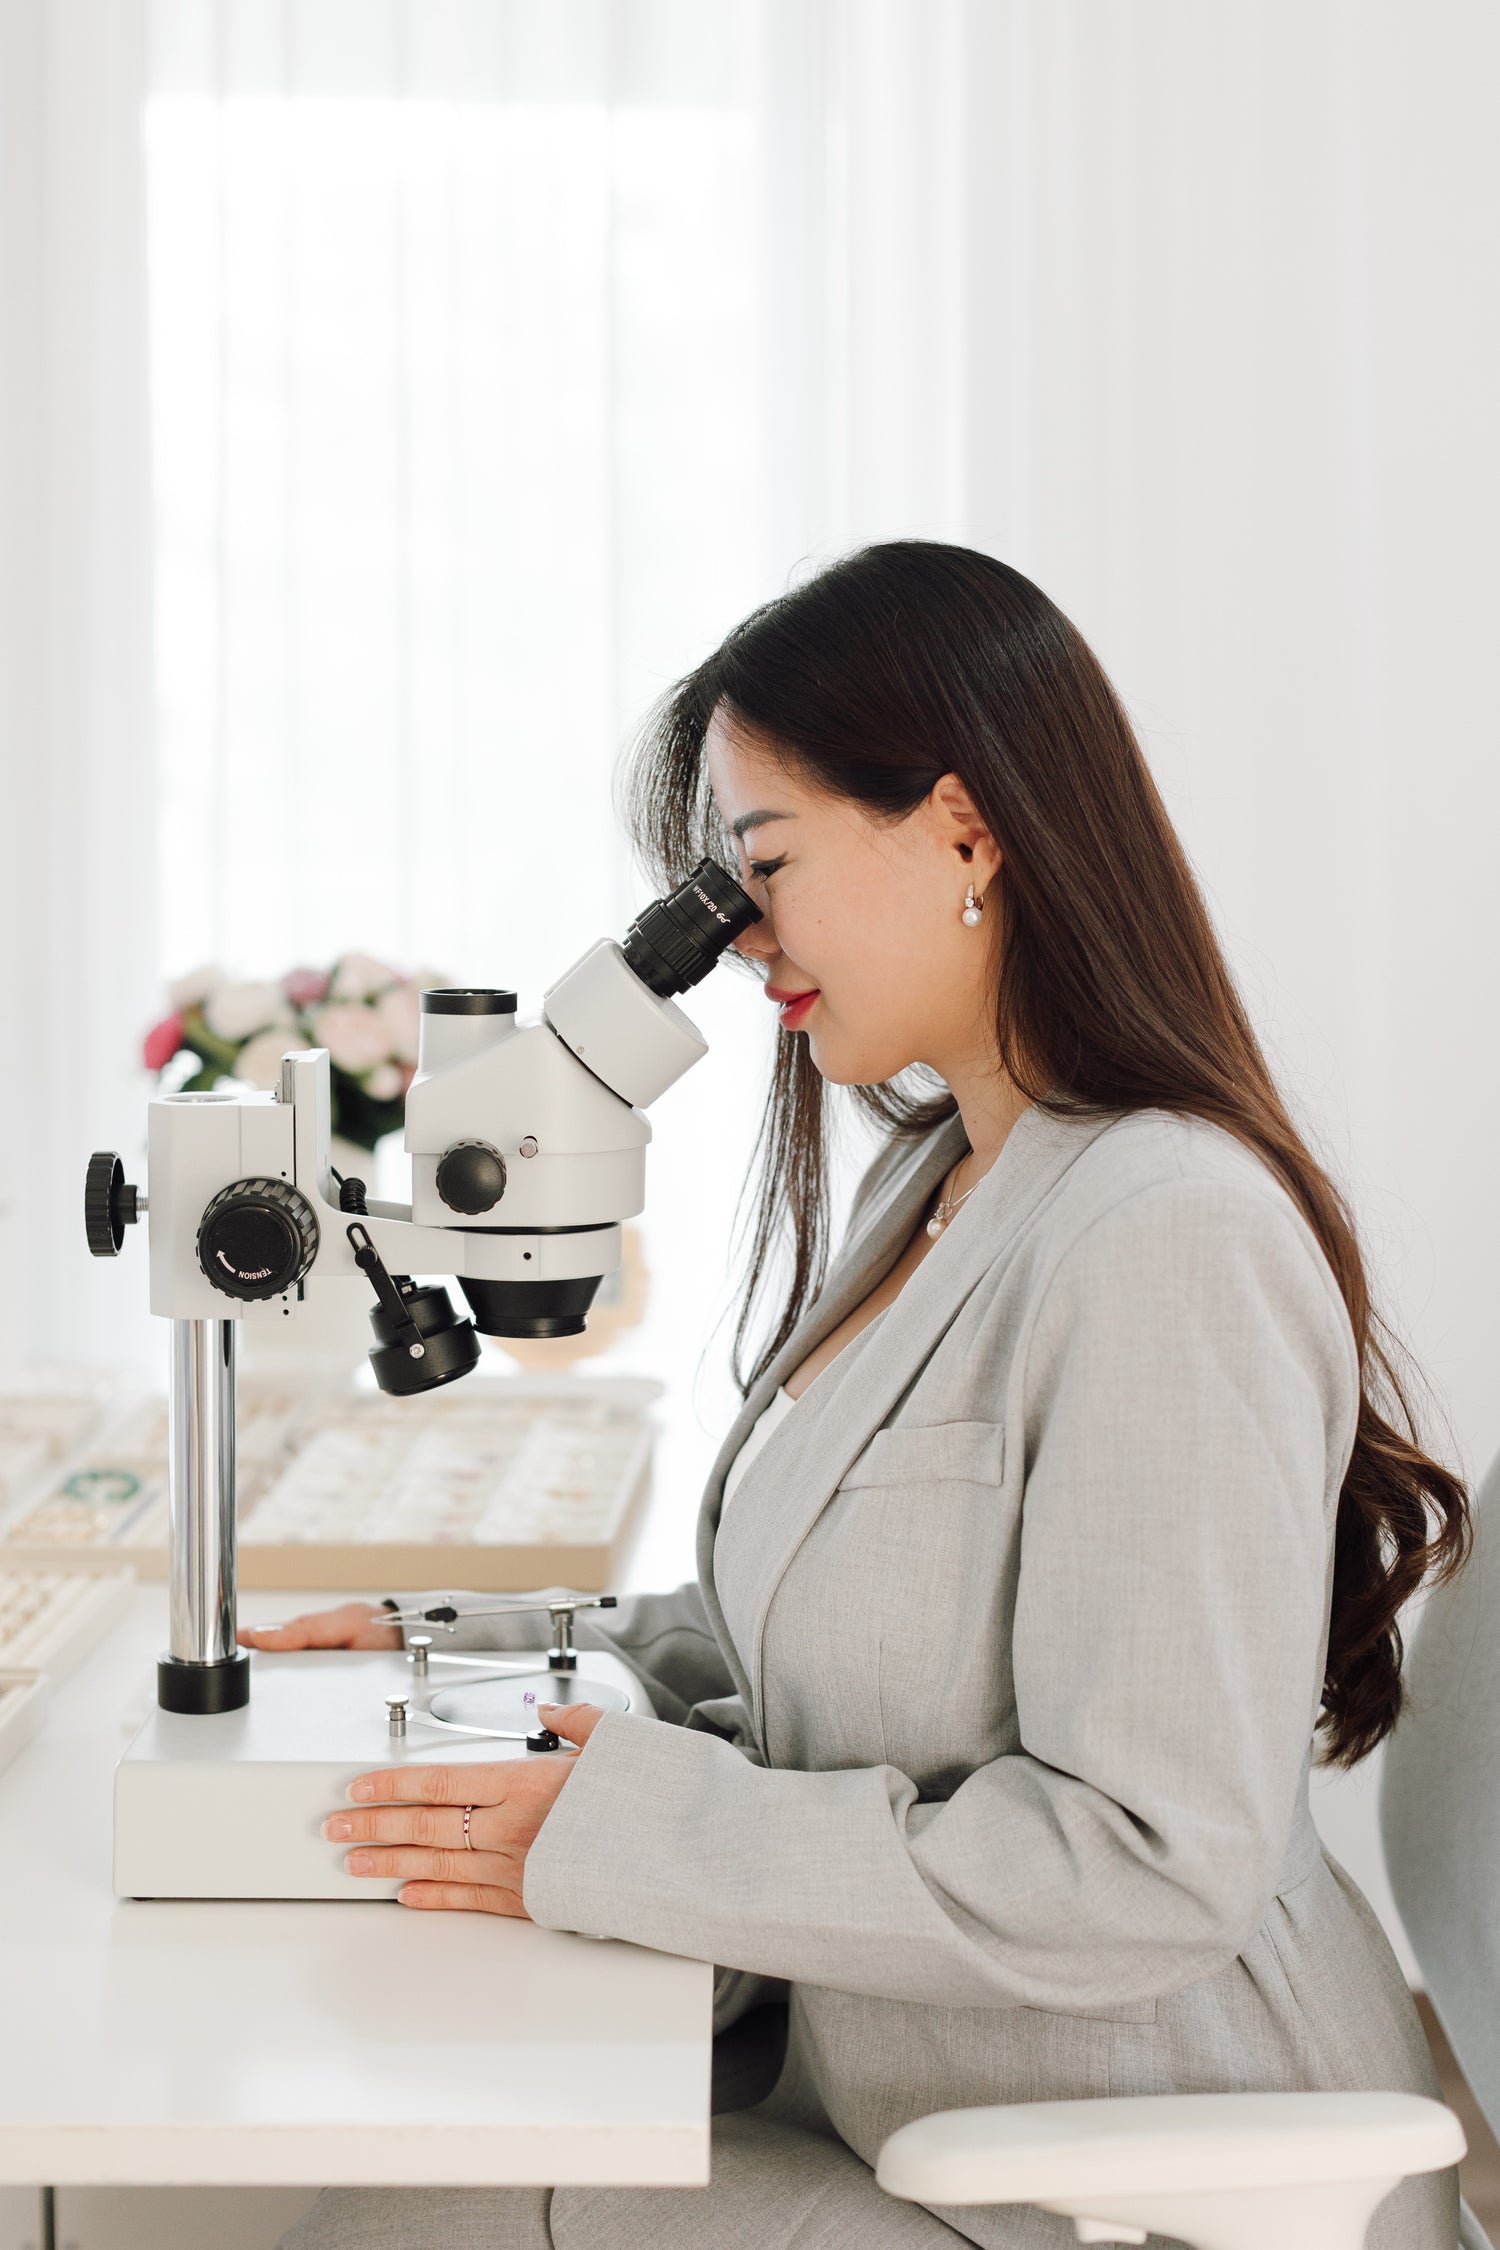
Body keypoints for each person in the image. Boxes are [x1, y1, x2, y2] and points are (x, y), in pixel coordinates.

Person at [257, 544, 1470, 2249]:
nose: (742, 938)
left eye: (765, 865)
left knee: (405, 2211)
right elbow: (819, 1629)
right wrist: (462, 1642)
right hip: (909, 2095)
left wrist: (623, 1833)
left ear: (967, 832)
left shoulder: (1167, 1231)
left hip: (1135, 2169)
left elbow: (1144, 1859)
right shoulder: (949, 1177)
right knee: (399, 2149)